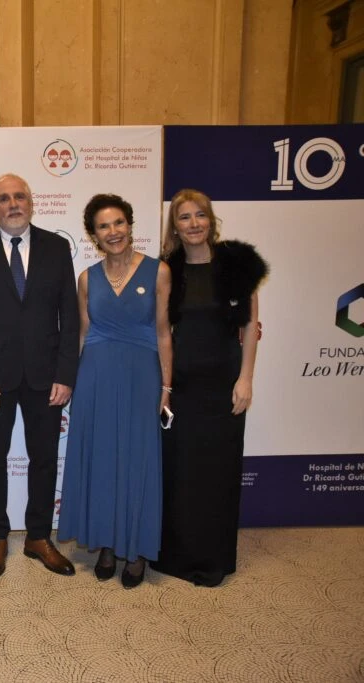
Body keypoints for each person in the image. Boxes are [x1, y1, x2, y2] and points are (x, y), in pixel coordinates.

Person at [0, 173, 79, 579]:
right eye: (4, 198)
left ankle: (39, 538)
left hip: (47, 377)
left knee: (44, 459)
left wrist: (66, 373)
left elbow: (70, 316)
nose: (13, 204)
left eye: (20, 197)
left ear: (32, 202)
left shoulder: (57, 248)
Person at [150, 189, 267, 587]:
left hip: (224, 386)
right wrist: (164, 386)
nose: (194, 223)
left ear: (211, 220)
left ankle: (214, 559)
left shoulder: (237, 263)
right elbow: (162, 331)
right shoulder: (168, 270)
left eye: (200, 215)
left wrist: (246, 378)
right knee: (180, 472)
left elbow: (250, 324)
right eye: (184, 217)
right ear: (175, 227)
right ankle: (177, 557)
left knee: (218, 474)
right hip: (181, 387)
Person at [57, 193, 173, 588]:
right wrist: (71, 382)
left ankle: (136, 550)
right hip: (95, 376)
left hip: (142, 374)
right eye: (104, 226)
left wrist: (167, 386)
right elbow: (83, 333)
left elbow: (163, 333)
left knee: (138, 459)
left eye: (119, 223)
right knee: (102, 458)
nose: (113, 232)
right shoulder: (87, 277)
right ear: (93, 234)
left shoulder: (158, 272)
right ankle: (106, 543)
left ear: (130, 225)